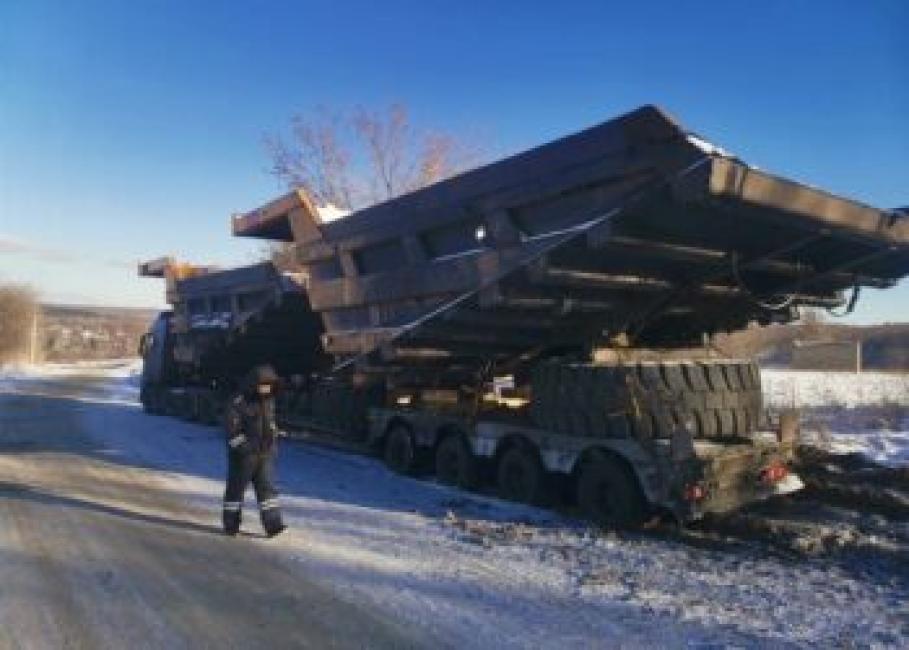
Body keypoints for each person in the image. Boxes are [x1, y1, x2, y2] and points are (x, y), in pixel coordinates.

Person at [222, 364, 287, 537]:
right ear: (253, 384)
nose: (266, 389)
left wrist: (273, 440)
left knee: (267, 490)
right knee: (236, 491)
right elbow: (231, 430)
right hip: (243, 457)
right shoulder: (238, 401)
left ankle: (273, 524)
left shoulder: (268, 400)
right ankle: (231, 524)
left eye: (269, 386)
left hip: (265, 454)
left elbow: (270, 423)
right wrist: (244, 449)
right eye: (263, 385)